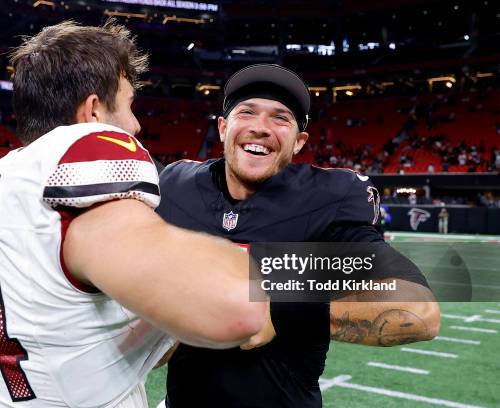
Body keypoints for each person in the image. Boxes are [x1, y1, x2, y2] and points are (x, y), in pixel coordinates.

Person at [0, 21, 266, 408]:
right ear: (93, 111)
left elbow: (72, 316)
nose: (136, 125)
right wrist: (289, 266)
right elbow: (235, 307)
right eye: (130, 105)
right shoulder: (84, 150)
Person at [157, 64, 440, 408]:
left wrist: (277, 311)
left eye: (280, 118)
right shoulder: (177, 185)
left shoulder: (326, 199)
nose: (260, 127)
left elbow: (418, 311)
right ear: (222, 127)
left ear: (298, 142)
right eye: (246, 112)